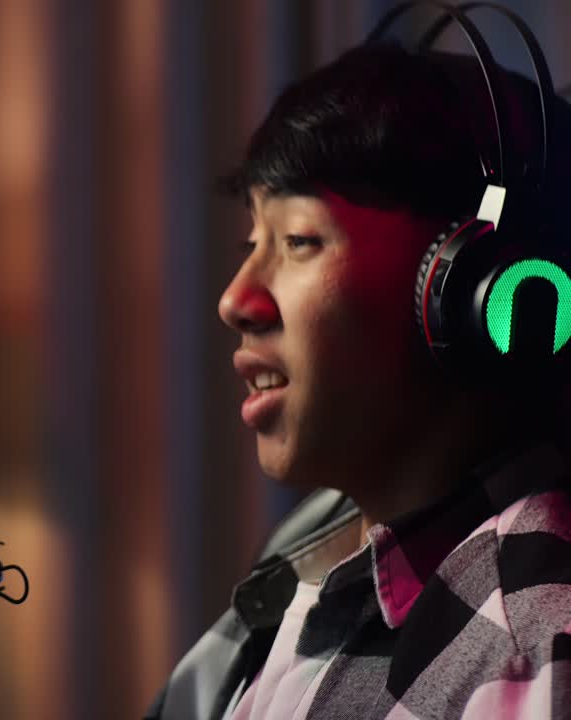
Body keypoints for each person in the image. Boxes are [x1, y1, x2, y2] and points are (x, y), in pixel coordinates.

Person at [146, 22, 571, 720]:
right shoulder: (310, 553)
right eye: (253, 240)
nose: (235, 300)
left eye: (299, 241)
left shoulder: (527, 656)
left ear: (474, 291)